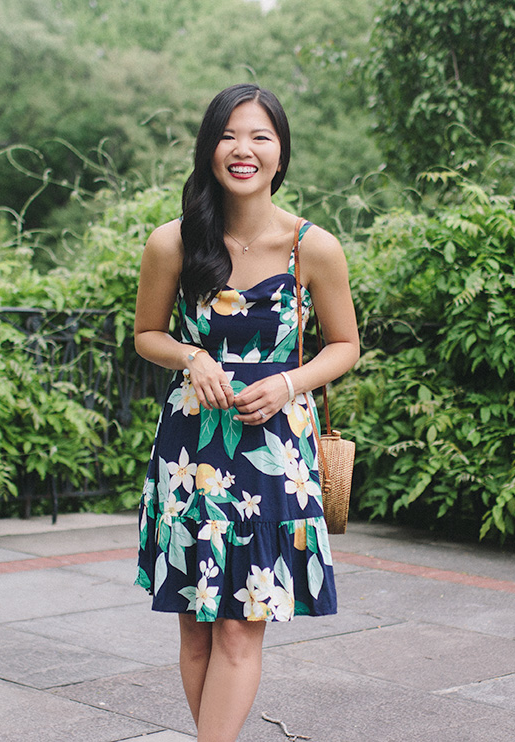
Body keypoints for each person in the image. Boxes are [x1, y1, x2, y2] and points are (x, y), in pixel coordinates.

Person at [133, 83, 359, 742]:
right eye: (230, 135)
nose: (244, 149)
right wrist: (191, 359)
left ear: (280, 154)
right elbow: (147, 333)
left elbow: (345, 345)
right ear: (210, 150)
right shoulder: (171, 242)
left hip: (272, 450)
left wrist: (289, 383)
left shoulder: (311, 247)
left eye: (260, 136)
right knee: (198, 623)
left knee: (238, 623)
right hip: (191, 450)